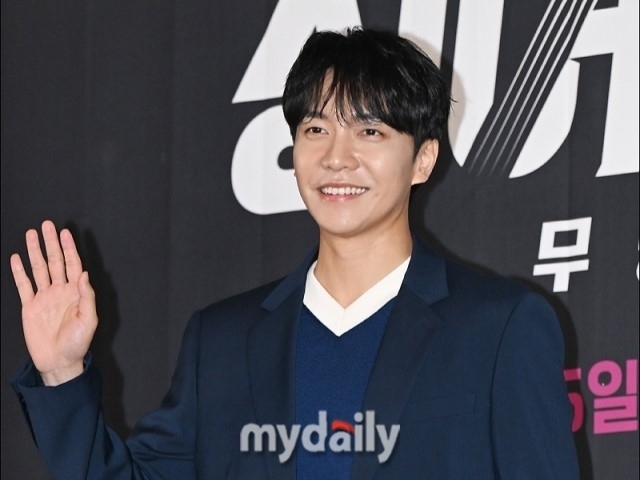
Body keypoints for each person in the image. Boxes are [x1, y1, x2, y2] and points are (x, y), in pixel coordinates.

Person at [10, 27, 579, 479]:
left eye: (370, 132)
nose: (337, 158)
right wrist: (61, 372)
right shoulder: (221, 342)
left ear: (423, 159)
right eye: (316, 130)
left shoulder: (499, 327)